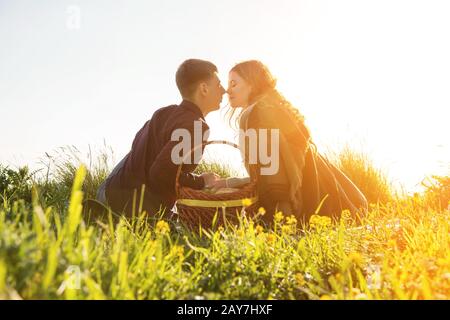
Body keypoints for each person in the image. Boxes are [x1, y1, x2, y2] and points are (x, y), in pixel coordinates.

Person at [210, 60, 368, 224]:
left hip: (308, 204)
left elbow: (271, 176)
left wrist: (280, 216)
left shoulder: (254, 113)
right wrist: (228, 182)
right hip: (329, 194)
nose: (228, 90)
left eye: (234, 84)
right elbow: (266, 171)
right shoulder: (269, 107)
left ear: (252, 84)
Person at [96, 59, 226, 217]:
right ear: (204, 89)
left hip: (107, 191)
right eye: (218, 84)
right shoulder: (197, 126)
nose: (224, 90)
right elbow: (161, 174)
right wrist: (201, 181)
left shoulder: (163, 112)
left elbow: (139, 149)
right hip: (130, 206)